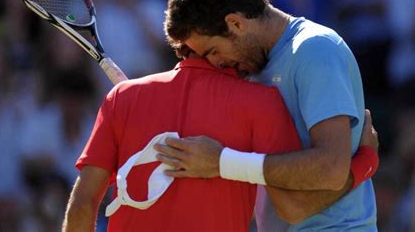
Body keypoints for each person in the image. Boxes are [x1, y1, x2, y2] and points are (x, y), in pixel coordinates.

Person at [157, 0, 378, 230]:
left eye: (214, 51)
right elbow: (291, 208)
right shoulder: (247, 70)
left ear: (236, 24)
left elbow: (331, 169)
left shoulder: (316, 50)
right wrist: (364, 164)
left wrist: (221, 162)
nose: (217, 64)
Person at [62, 50, 378, 232]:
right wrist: (365, 162)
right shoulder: (261, 102)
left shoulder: (123, 98)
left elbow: (82, 205)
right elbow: (294, 208)